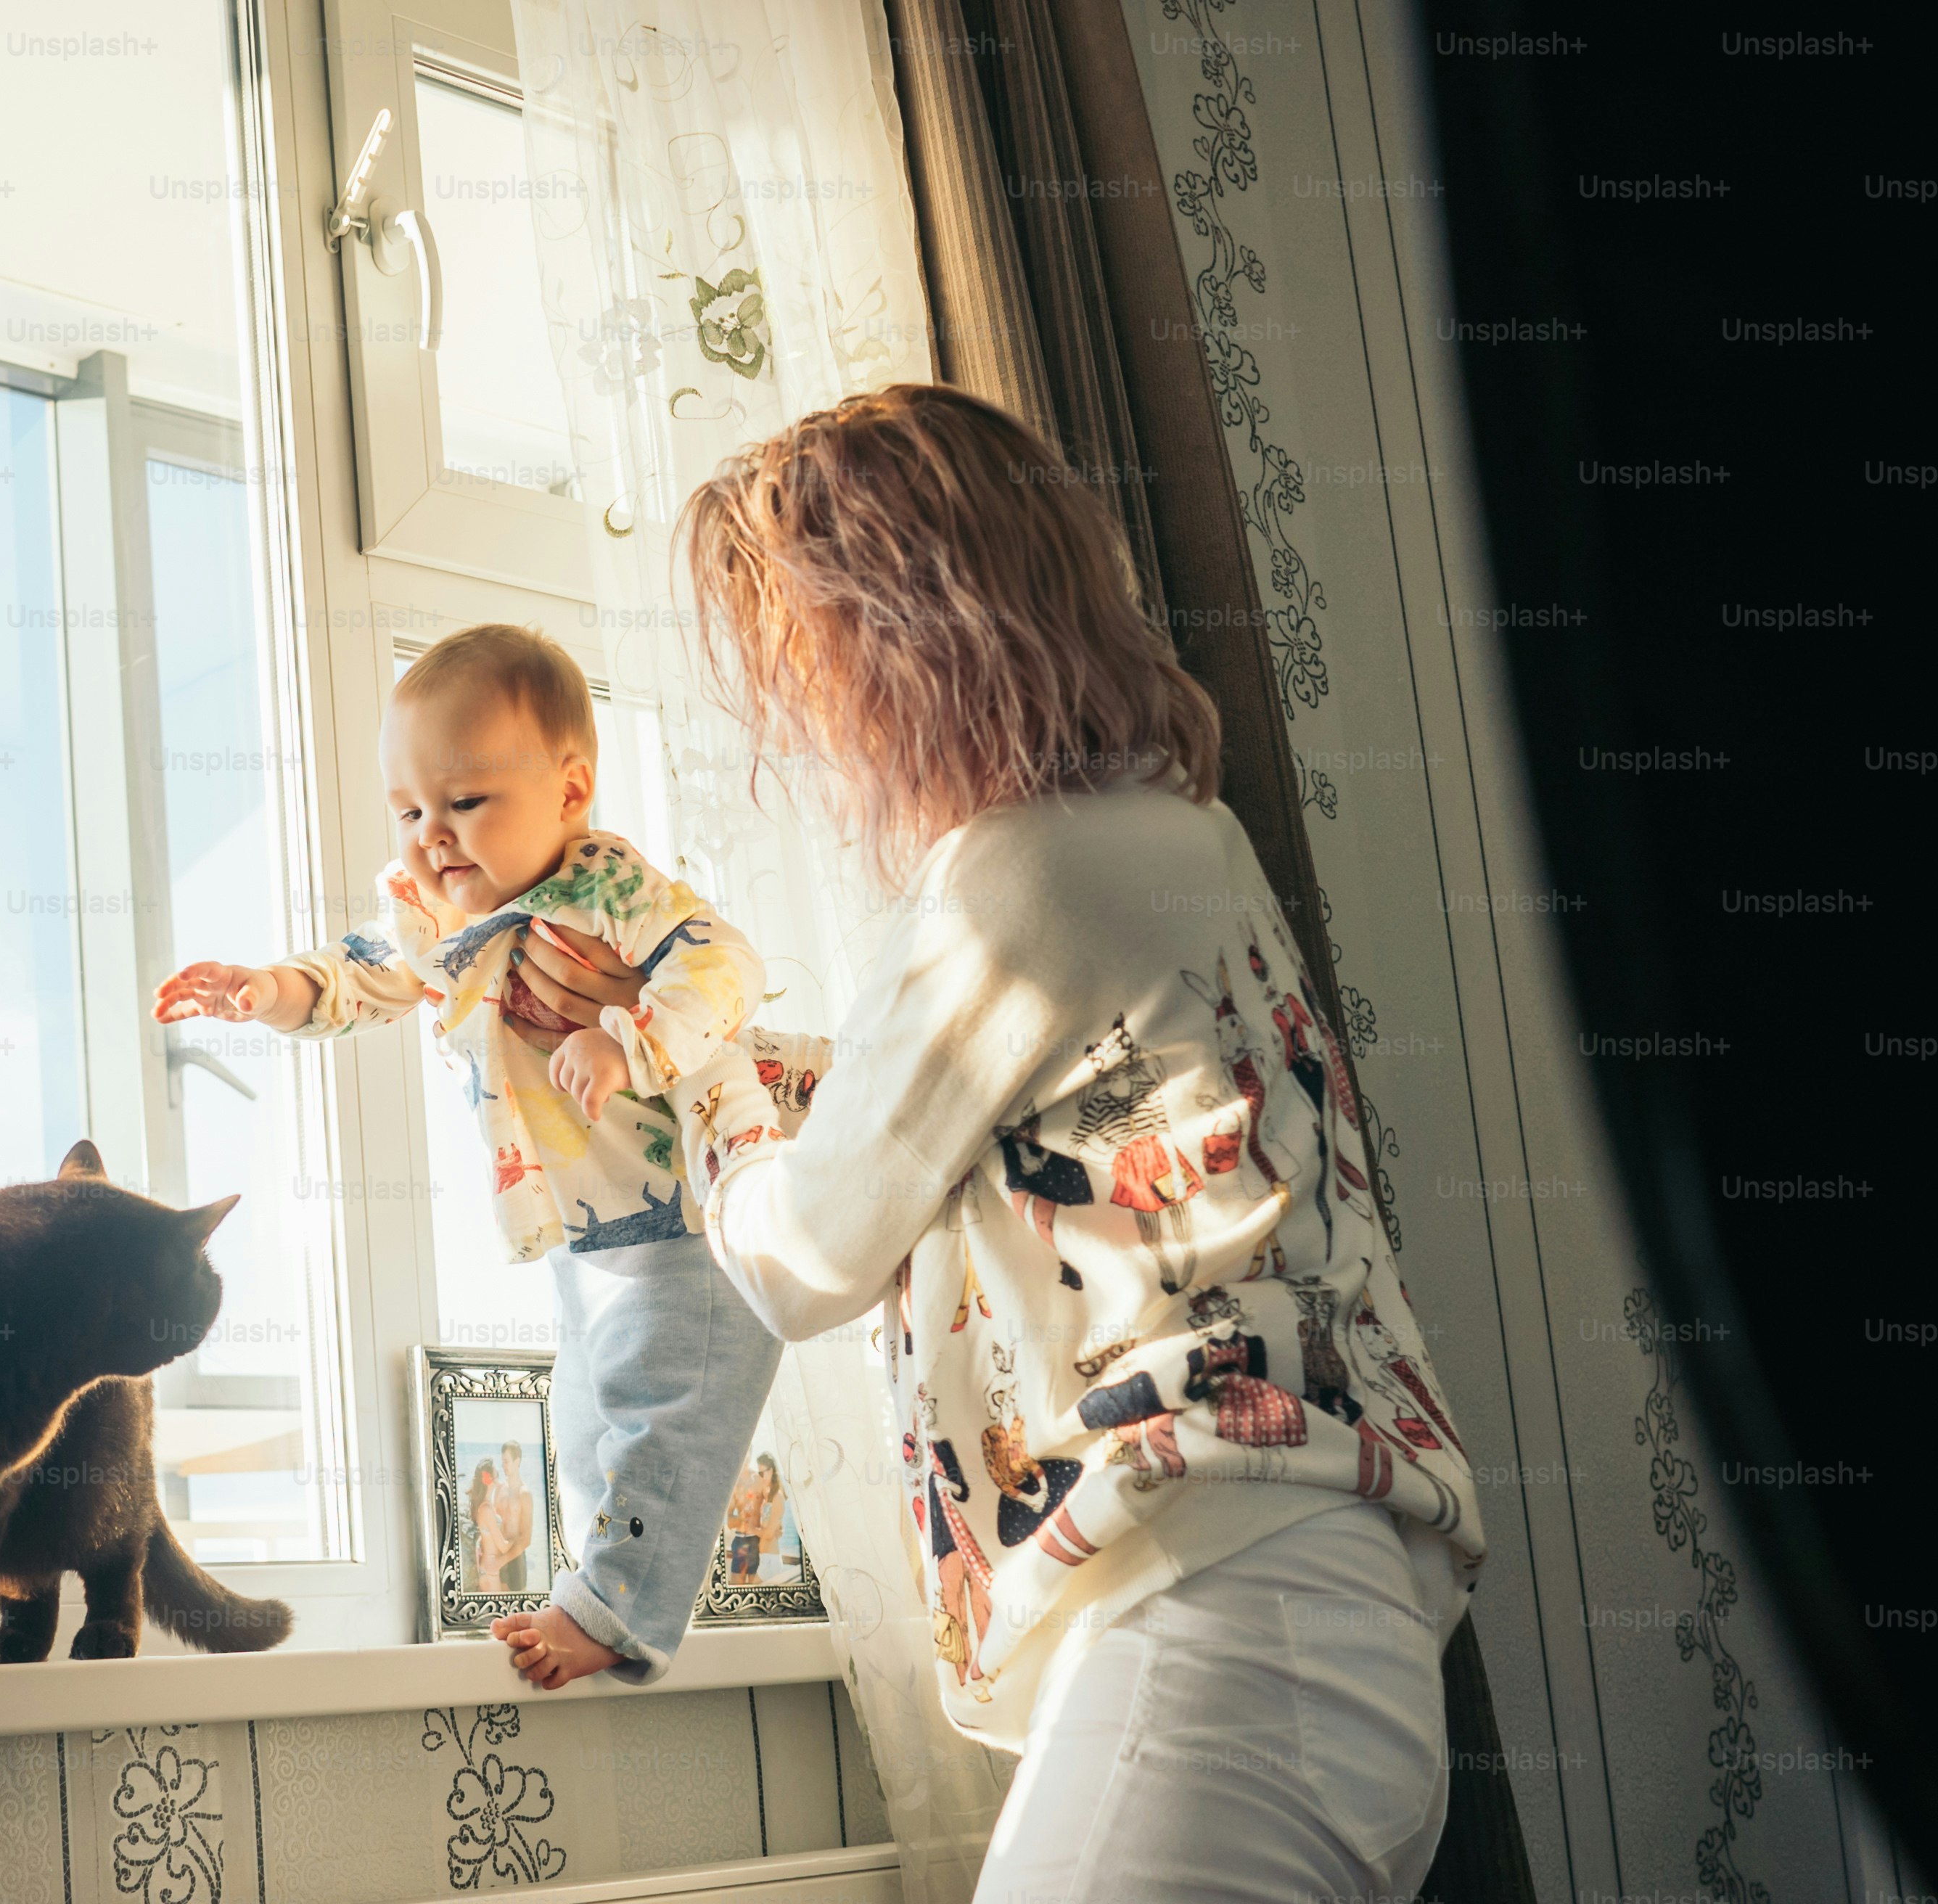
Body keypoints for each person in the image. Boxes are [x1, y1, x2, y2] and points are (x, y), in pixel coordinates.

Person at [505, 385, 1486, 1903]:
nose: (804, 719)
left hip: (1219, 1628)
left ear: (900, 630)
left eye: (803, 659)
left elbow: (804, 1257)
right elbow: (1012, 1136)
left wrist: (687, 1069)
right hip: (1341, 1619)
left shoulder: (1004, 881)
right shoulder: (1179, 835)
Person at [153, 623, 828, 1688]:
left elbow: (725, 965)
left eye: (465, 802)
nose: (433, 835)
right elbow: (362, 972)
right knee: (584, 1416)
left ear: (569, 794)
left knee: (670, 1419)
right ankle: (591, 1583)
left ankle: (615, 1610)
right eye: (410, 810)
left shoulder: (610, 890)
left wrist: (630, 1036)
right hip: (590, 1226)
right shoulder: (440, 917)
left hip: (694, 1208)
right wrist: (267, 991)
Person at [494, 1440, 535, 1592]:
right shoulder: (500, 1489)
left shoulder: (524, 1494)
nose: (503, 1466)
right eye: (502, 1462)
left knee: (517, 1611)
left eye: (506, 1462)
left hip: (516, 1560)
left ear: (517, 1461)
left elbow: (526, 1539)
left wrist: (501, 1561)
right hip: (498, 1555)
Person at [467, 1459, 505, 1593]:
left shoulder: (486, 1506)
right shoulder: (486, 1509)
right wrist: (521, 1539)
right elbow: (502, 1546)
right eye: (497, 1474)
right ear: (489, 1479)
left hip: (488, 1569)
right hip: (490, 1572)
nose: (499, 1477)